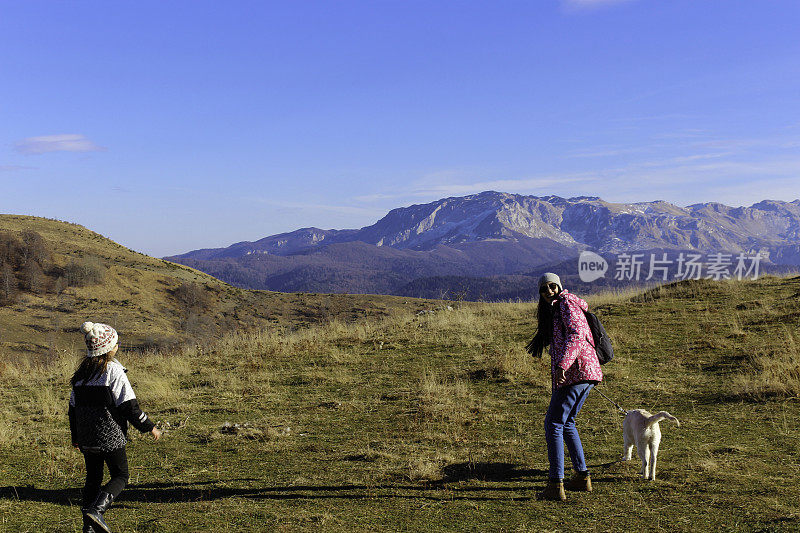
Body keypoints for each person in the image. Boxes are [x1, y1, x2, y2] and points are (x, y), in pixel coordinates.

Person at [69, 321, 162, 533]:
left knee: (93, 479)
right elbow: (129, 406)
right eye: (116, 343)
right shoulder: (113, 371)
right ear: (109, 348)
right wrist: (149, 427)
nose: (118, 346)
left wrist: (76, 437)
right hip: (109, 436)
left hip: (86, 437)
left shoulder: (80, 375)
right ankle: (97, 512)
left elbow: (72, 409)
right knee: (121, 476)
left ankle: (88, 527)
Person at [527, 273, 602, 501]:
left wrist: (562, 364)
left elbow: (577, 335)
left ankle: (555, 484)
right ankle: (581, 476)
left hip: (575, 372)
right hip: (584, 372)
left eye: (552, 286)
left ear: (559, 286)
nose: (548, 291)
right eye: (544, 288)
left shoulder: (567, 303)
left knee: (553, 423)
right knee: (567, 422)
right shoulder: (558, 308)